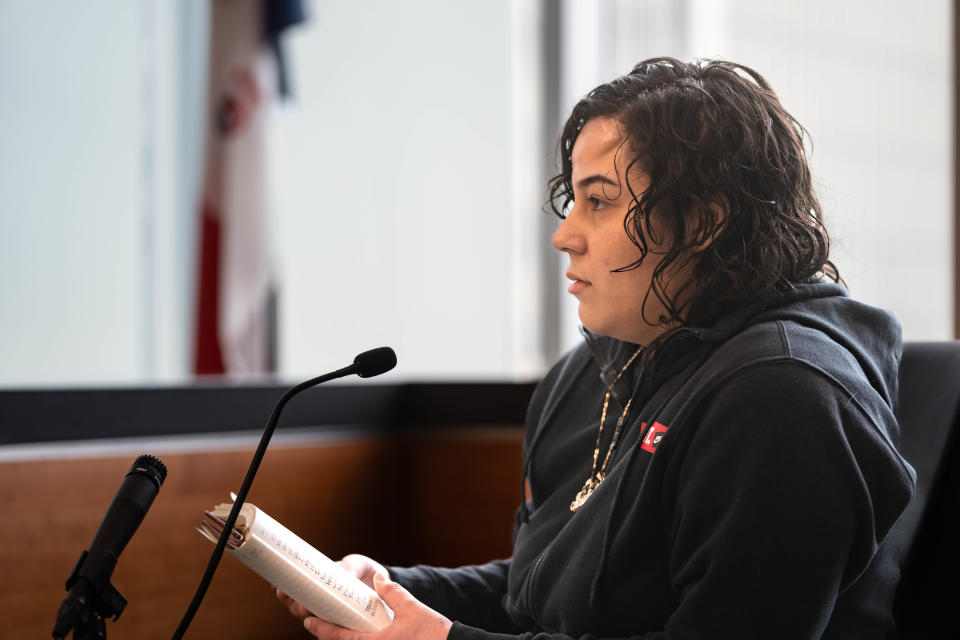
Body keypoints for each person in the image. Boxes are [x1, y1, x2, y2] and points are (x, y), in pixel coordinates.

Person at [278, 57, 916, 639]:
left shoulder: (783, 396)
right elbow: (541, 594)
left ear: (702, 222)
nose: (564, 236)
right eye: (573, 200)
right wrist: (391, 593)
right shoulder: (595, 368)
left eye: (600, 202)